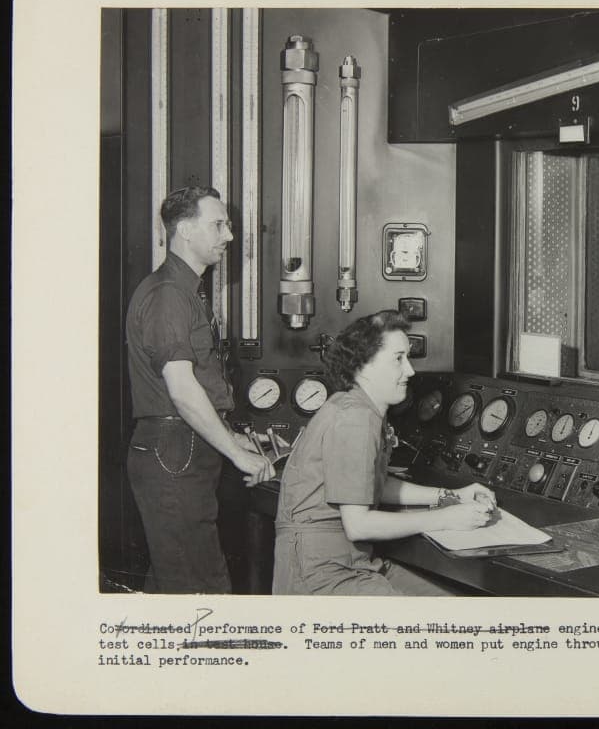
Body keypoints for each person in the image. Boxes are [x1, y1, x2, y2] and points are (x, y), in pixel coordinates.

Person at [272, 310, 497, 596]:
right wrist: (447, 518)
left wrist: (450, 496)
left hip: (351, 560)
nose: (411, 371)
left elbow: (371, 485)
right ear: (364, 365)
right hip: (320, 570)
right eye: (398, 359)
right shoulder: (356, 417)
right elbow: (358, 525)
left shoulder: (360, 407)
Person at [126, 186, 274, 594]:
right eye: (219, 224)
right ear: (186, 230)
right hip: (176, 451)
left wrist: (233, 435)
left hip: (180, 451)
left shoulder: (183, 292)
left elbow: (198, 387)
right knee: (201, 592)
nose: (229, 235)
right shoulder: (169, 296)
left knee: (175, 585)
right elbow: (183, 391)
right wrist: (237, 453)